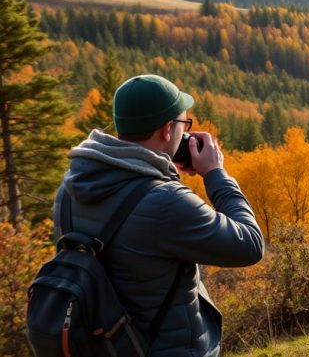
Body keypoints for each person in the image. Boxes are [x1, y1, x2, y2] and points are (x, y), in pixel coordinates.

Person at [54, 74, 264, 357]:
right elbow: (249, 245)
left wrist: (161, 170)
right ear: (167, 130)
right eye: (183, 124)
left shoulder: (70, 189)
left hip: (105, 347)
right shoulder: (165, 202)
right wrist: (216, 175)